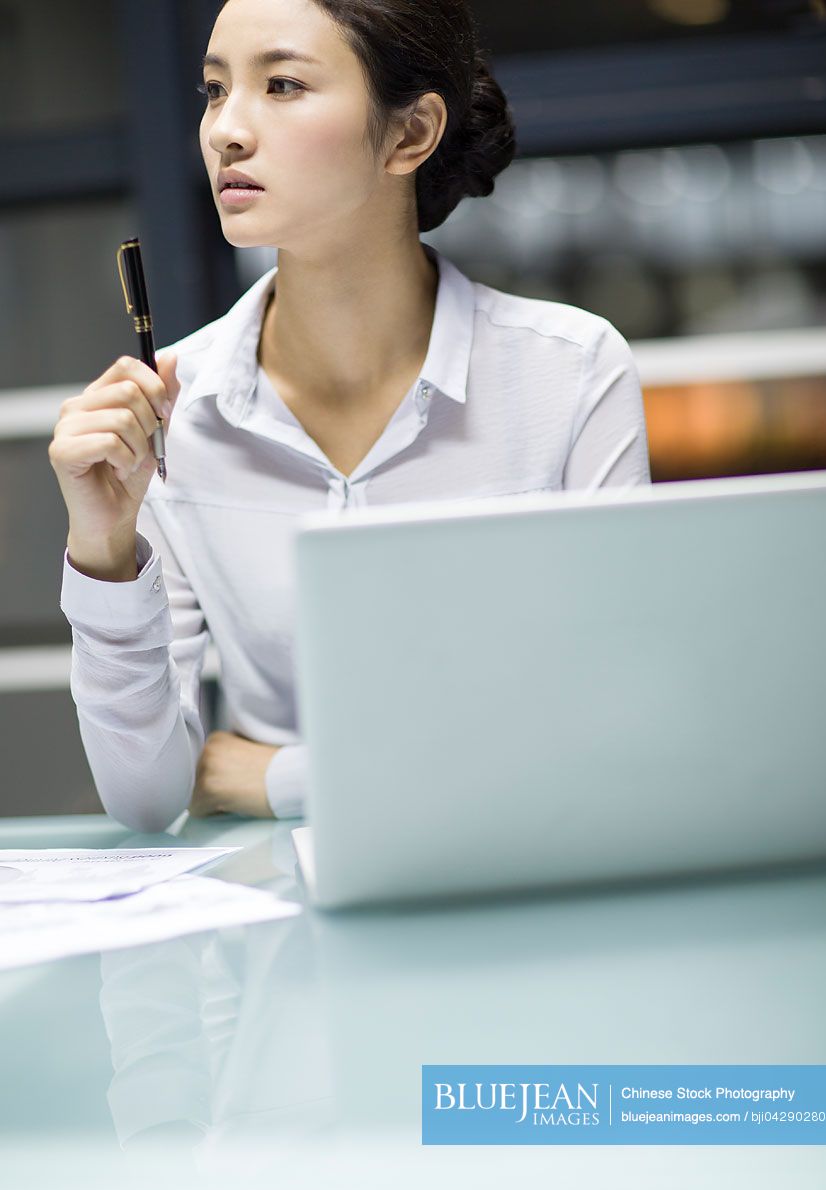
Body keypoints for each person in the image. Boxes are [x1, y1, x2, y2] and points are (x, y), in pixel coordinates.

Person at [49, 0, 650, 834]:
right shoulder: (174, 404)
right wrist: (104, 551)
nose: (227, 129)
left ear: (409, 135)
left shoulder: (570, 373)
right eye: (215, 91)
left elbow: (613, 736)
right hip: (276, 918)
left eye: (283, 84)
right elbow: (149, 795)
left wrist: (279, 777)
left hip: (523, 870)